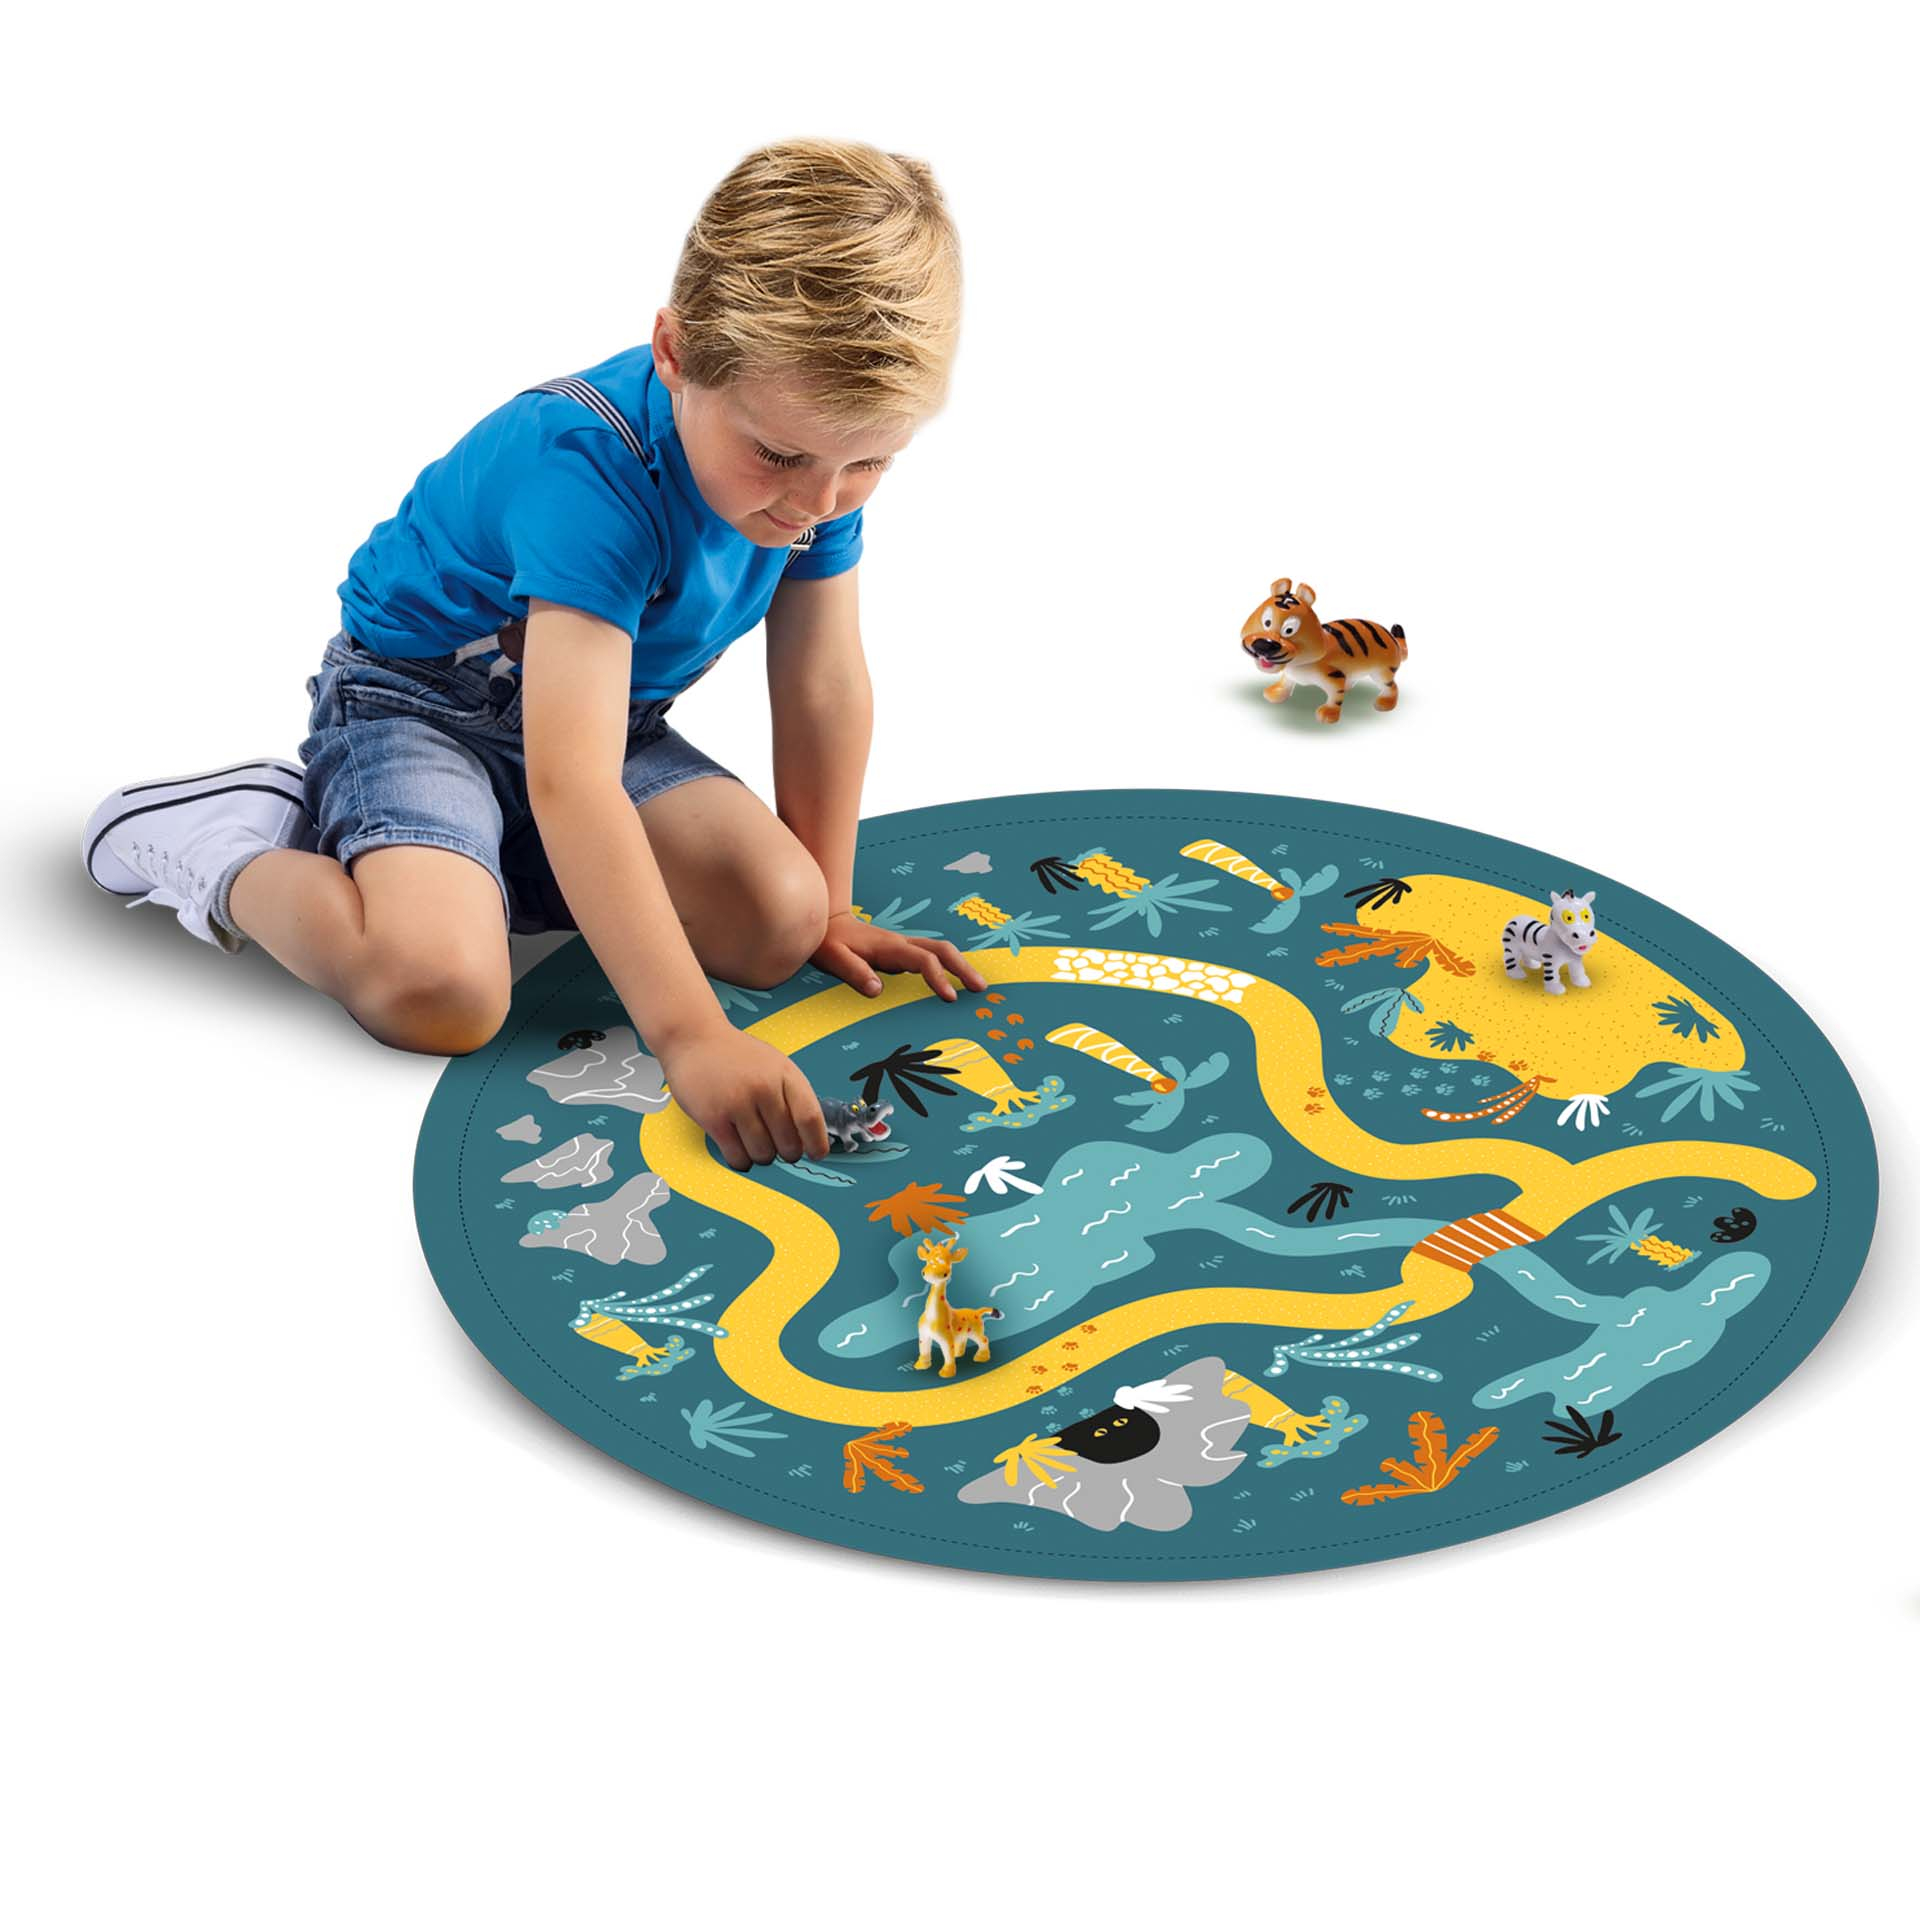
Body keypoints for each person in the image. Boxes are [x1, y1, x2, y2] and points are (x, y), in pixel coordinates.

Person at [81, 136, 986, 1173]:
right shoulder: (587, 471)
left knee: (780, 921)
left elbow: (822, 683)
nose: (818, 503)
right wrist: (690, 1036)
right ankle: (236, 844)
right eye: (779, 455)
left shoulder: (812, 465)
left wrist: (833, 904)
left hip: (607, 722)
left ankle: (471, 869)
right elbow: (570, 783)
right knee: (441, 991)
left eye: (870, 461)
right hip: (419, 708)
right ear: (674, 351)